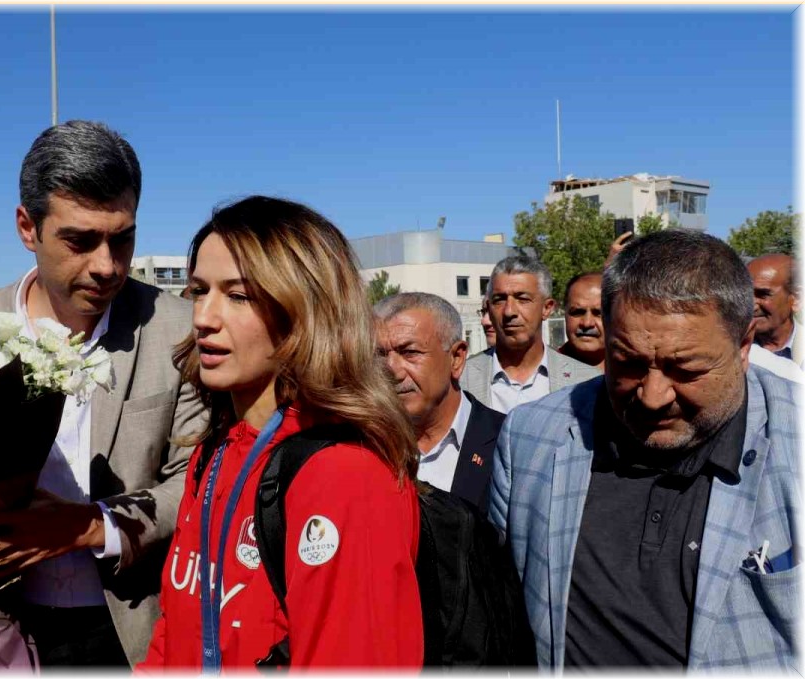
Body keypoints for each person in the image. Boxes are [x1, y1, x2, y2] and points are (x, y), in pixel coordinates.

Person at [0, 120, 207, 668]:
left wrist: (88, 526)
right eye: (79, 240)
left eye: (122, 238)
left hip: (134, 635)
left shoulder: (180, 332)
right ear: (27, 227)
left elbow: (197, 483)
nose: (106, 265)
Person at [489, 230, 799, 670]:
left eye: (685, 368)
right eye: (628, 363)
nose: (653, 396)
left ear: (744, 344)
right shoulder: (531, 437)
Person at [139, 196, 424, 669]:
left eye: (238, 295)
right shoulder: (211, 454)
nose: (204, 317)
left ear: (303, 311)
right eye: (198, 291)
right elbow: (174, 630)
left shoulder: (342, 474)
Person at [374, 292, 505, 512]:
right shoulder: (361, 444)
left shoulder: (507, 442)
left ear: (456, 359)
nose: (392, 371)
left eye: (409, 352)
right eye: (378, 355)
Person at [460, 255, 597, 414]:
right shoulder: (461, 379)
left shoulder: (587, 381)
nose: (509, 311)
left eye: (522, 299)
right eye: (500, 300)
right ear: (489, 308)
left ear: (547, 308)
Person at [747, 253, 801, 365]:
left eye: (762, 294)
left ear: (796, 299)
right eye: (746, 294)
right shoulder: (732, 350)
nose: (750, 304)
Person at [556, 272, 605, 370]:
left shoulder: (637, 371)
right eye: (578, 312)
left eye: (598, 313)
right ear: (564, 313)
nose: (587, 323)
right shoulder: (546, 372)